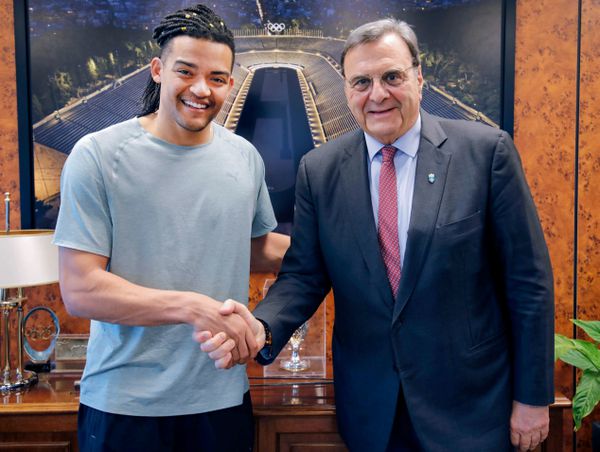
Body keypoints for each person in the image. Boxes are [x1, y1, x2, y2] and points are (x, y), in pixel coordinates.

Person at [199, 18, 555, 452]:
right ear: (347, 90)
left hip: (472, 407)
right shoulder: (320, 170)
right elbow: (304, 276)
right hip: (373, 411)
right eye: (362, 82)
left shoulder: (486, 153)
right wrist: (261, 327)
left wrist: (532, 397)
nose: (378, 94)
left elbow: (528, 284)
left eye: (392, 77)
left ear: (419, 78)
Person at [54, 4, 289, 451]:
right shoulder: (98, 155)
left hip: (222, 398)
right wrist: (192, 307)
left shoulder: (244, 157)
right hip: (124, 405)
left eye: (216, 78)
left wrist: (343, 252)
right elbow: (81, 289)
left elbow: (252, 247)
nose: (201, 89)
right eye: (186, 71)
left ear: (231, 84)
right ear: (158, 70)